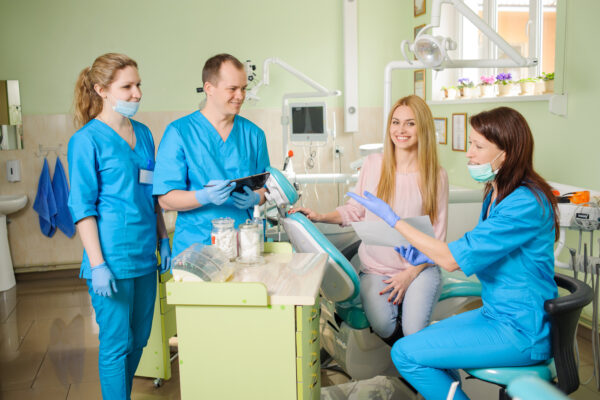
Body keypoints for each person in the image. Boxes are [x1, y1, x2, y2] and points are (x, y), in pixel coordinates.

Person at [348, 106, 559, 400]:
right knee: (421, 345)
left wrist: (393, 220)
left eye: (478, 146)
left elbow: (452, 258)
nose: (469, 154)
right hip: (494, 314)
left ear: (506, 153)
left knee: (406, 353)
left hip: (522, 329)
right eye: (470, 143)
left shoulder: (524, 203)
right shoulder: (497, 193)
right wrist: (427, 255)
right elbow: (474, 250)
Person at [291, 95, 448, 344]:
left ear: (424, 128)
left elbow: (437, 238)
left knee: (414, 331)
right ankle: (410, 361)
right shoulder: (374, 165)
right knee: (384, 325)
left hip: (420, 269)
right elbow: (355, 211)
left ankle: (434, 373)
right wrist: (320, 216)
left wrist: (409, 276)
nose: (401, 130)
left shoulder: (436, 175)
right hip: (377, 269)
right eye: (395, 122)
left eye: (410, 123)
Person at [68, 53, 171, 400]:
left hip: (145, 254)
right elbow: (82, 208)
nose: (137, 94)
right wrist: (97, 264)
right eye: (127, 86)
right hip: (110, 257)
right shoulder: (86, 141)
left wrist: (163, 237)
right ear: (101, 90)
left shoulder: (143, 134)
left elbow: (152, 193)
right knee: (116, 344)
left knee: (139, 338)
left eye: (138, 84)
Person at [153, 53, 270, 256]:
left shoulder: (254, 135)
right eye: (232, 89)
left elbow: (266, 189)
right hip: (195, 248)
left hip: (244, 247)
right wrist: (203, 196)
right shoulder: (180, 132)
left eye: (243, 88)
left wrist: (256, 198)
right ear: (209, 89)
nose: (240, 96)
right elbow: (166, 199)